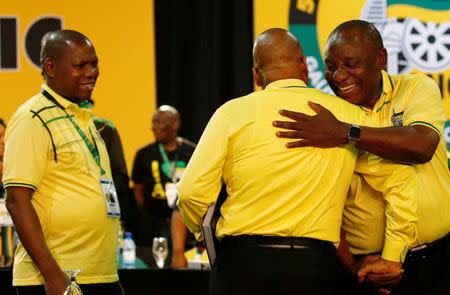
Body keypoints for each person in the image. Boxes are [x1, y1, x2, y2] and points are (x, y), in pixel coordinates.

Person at [177, 28, 418, 295]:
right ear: (304, 65)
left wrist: (211, 242)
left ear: (257, 76)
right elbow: (400, 184)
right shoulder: (349, 116)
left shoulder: (230, 113)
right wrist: (392, 257)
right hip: (315, 269)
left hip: (241, 265)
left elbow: (190, 194)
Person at [273, 20, 450, 294]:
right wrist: (351, 267)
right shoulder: (325, 116)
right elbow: (324, 203)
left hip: (436, 260)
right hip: (365, 270)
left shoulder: (415, 88)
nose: (338, 76)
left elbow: (421, 146)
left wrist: (346, 133)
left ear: (380, 59)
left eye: (350, 64)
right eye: (330, 66)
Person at [2, 30, 123, 295]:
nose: (91, 72)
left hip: (99, 274)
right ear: (50, 67)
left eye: (94, 64)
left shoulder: (84, 119)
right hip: (58, 279)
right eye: (81, 65)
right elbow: (16, 200)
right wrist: (51, 273)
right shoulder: (31, 118)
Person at [131, 105, 196, 267]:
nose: (153, 127)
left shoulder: (192, 151)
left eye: (159, 122)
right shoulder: (143, 154)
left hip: (185, 230)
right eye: (153, 122)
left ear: (174, 124)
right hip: (152, 228)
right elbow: (137, 188)